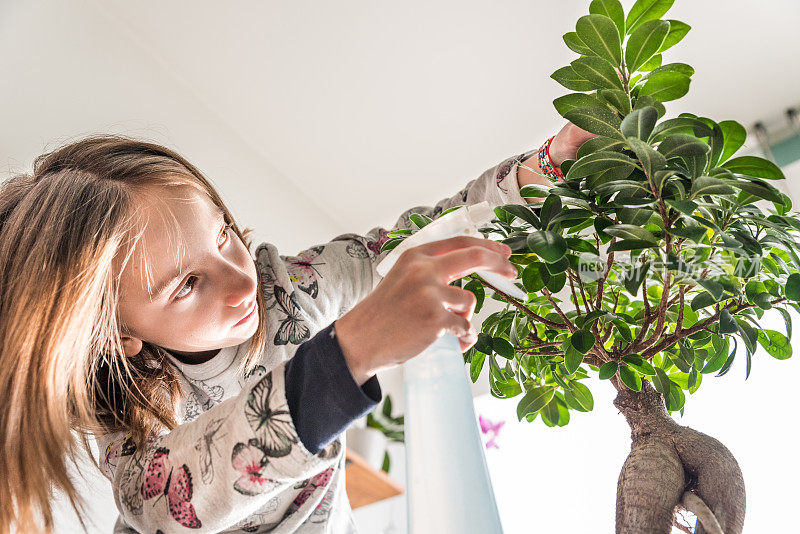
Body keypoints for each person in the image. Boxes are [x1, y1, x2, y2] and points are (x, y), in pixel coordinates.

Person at [0, 122, 592, 533]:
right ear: (117, 334)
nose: (240, 281)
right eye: (187, 285)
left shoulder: (288, 288)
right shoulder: (131, 413)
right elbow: (175, 499)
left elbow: (415, 239)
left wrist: (540, 169)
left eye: (224, 234)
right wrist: (351, 352)